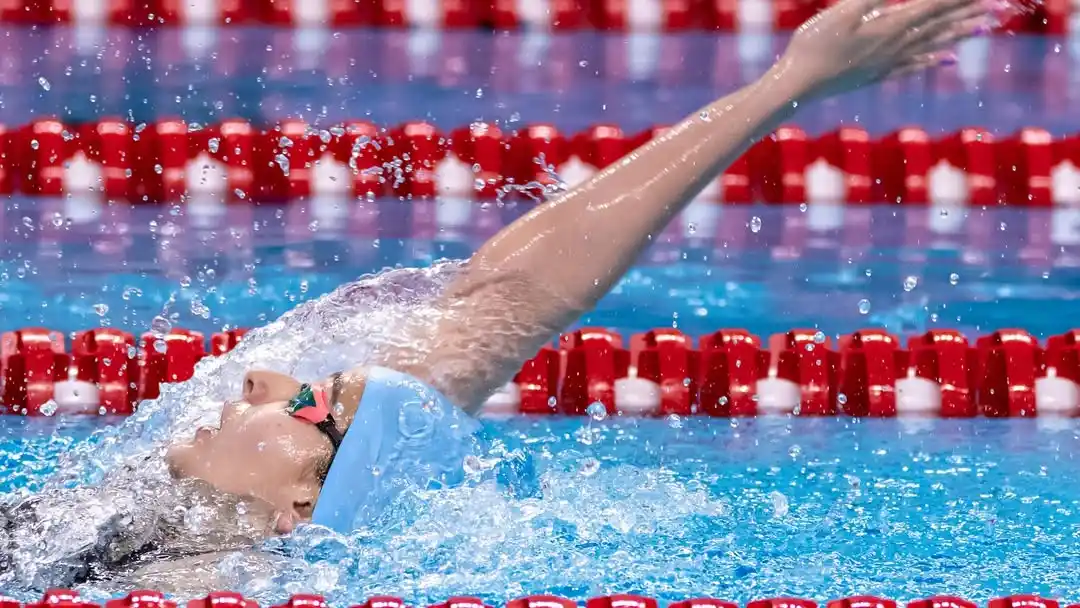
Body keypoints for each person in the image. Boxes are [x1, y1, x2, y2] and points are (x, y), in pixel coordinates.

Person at [1, 0, 1000, 591]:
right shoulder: (146, 525)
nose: (265, 373)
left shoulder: (196, 582)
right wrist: (785, 82)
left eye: (312, 401)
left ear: (298, 507)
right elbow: (506, 295)